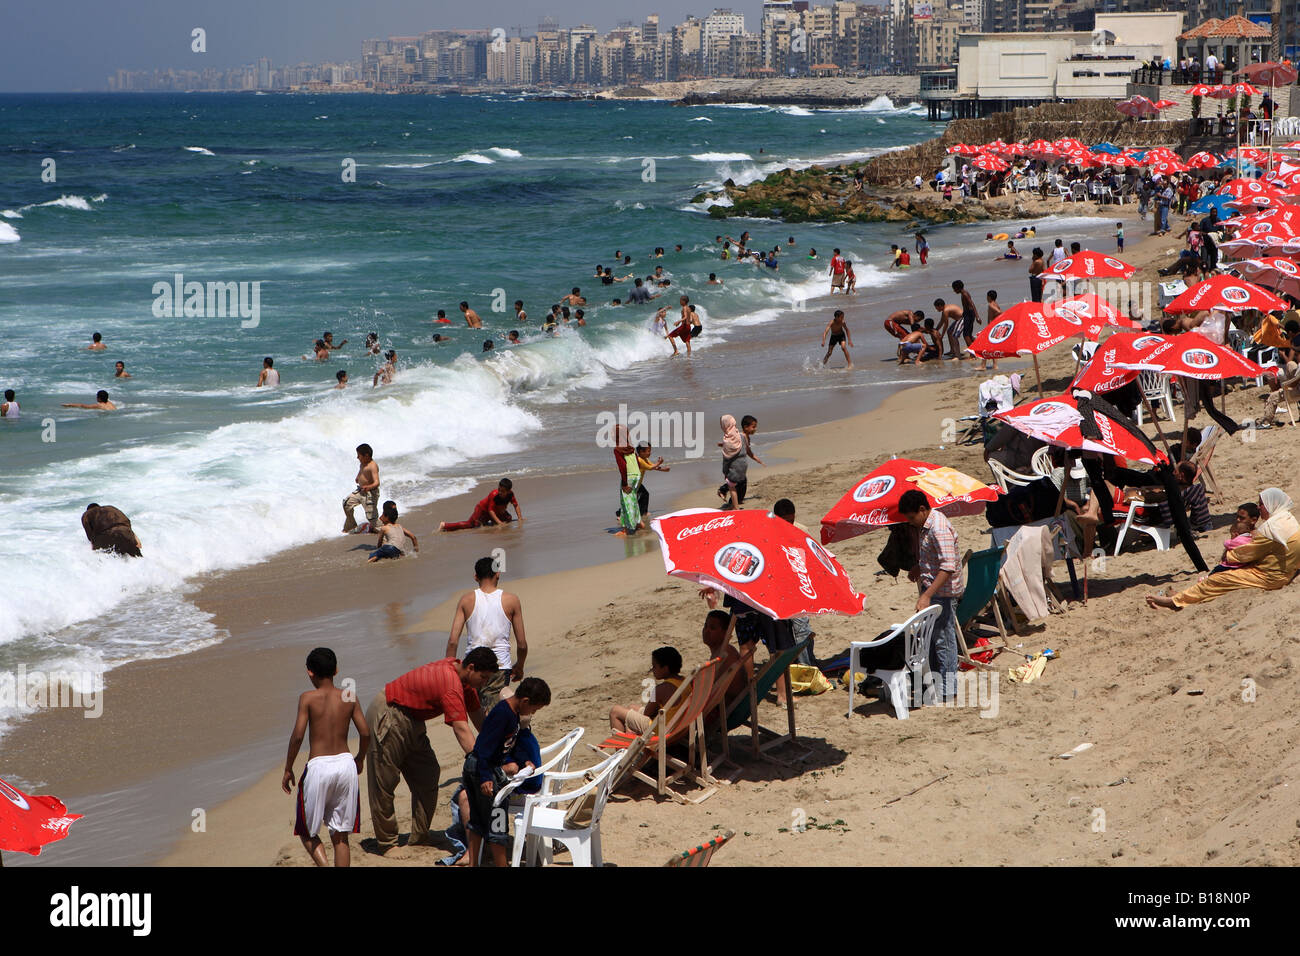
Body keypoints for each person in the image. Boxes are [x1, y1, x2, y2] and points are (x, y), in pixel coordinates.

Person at [364, 648, 498, 857]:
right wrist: (482, 763)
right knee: (385, 781)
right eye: (483, 677)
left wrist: (497, 745)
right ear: (471, 668)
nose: (484, 683)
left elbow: (478, 717)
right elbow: (461, 728)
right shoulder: (450, 683)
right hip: (390, 713)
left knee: (428, 774)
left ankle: (420, 835)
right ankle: (387, 843)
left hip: (413, 719)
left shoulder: (465, 682)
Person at [282, 647, 370, 867]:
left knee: (306, 830)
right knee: (340, 835)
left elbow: (297, 736)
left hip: (319, 767)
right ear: (337, 669)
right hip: (346, 764)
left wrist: (288, 768)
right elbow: (366, 732)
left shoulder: (307, 698)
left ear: (309, 672)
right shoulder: (349, 696)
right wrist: (360, 758)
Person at [1147, 489, 1300, 610]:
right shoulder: (1287, 519)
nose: (1259, 508)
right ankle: (1184, 596)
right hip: (1281, 571)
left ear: (1272, 504)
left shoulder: (1271, 529)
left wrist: (1229, 555)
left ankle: (1174, 601)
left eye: (1262, 504)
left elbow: (1248, 553)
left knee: (1217, 580)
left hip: (1269, 577)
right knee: (1222, 582)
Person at [462, 676, 551, 867]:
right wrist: (486, 777)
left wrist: (523, 760)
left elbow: (509, 743)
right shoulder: (503, 714)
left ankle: (473, 864)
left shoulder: (514, 715)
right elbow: (484, 747)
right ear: (525, 701)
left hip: (479, 766)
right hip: (481, 768)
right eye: (534, 709)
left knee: (477, 821)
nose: (533, 713)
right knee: (497, 823)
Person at [899, 489, 963, 701]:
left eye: (911, 518)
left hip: (942, 593)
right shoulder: (926, 526)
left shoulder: (939, 528)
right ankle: (938, 683)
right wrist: (920, 566)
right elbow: (936, 559)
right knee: (935, 640)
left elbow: (948, 567)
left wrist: (927, 595)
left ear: (922, 510)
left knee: (944, 641)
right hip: (934, 589)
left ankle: (948, 689)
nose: (910, 522)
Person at [445, 556, 528, 713]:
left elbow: (452, 642)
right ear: (497, 574)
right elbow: (522, 644)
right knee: (494, 713)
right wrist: (520, 666)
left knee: (480, 713)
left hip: (472, 668)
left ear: (476, 577)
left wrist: (449, 670)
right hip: (499, 666)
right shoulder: (511, 600)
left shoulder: (466, 600)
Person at [609, 647, 684, 733]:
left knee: (615, 711)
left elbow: (647, 713)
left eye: (654, 666)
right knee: (631, 708)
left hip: (659, 730)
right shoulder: (685, 681)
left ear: (665, 668)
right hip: (676, 727)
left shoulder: (660, 689)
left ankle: (621, 746)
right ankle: (631, 743)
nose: (652, 670)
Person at [439, 478, 523, 531]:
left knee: (508, 518)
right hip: (482, 509)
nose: (500, 492)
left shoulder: (511, 494)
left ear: (508, 491)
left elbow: (516, 505)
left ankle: (491, 523)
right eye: (499, 489)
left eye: (503, 491)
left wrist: (520, 518)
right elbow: (490, 511)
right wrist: (499, 523)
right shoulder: (494, 495)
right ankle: (445, 525)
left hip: (495, 511)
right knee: (471, 525)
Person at [613, 424, 645, 534]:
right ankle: (638, 522)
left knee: (626, 502)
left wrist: (625, 483)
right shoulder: (631, 447)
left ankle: (627, 529)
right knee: (633, 499)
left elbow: (622, 467)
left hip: (629, 476)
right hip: (636, 474)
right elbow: (636, 460)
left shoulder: (618, 450)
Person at [342, 443, 380, 534]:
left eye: (359, 455)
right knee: (347, 504)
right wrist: (358, 477)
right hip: (360, 491)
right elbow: (361, 472)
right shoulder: (362, 464)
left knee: (371, 516)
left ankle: (380, 530)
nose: (357, 457)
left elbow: (377, 482)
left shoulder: (372, 466)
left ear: (366, 455)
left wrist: (369, 487)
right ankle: (351, 525)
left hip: (370, 493)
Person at [1213, 503, 1260, 573]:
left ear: (1253, 520)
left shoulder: (1256, 536)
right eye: (1237, 516)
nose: (1238, 520)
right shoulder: (1238, 531)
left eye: (1242, 518)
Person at [633, 441, 669, 519]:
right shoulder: (639, 460)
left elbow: (652, 466)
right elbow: (650, 468)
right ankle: (620, 514)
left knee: (645, 495)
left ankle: (642, 512)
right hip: (634, 483)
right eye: (648, 451)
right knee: (632, 499)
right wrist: (659, 462)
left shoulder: (645, 459)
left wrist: (663, 469)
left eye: (650, 450)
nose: (650, 453)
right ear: (641, 452)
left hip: (638, 483)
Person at [953, 280, 979, 358]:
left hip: (969, 314)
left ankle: (972, 354)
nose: (954, 291)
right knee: (969, 335)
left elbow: (971, 303)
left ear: (957, 288)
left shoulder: (964, 294)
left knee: (966, 335)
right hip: (968, 314)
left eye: (954, 289)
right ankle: (980, 347)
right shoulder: (964, 293)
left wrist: (977, 316)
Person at [979, 290, 1002, 372]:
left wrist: (996, 316)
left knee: (985, 347)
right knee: (992, 347)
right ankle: (995, 365)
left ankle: (983, 365)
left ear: (989, 297)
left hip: (991, 328)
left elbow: (999, 312)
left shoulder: (991, 305)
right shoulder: (996, 304)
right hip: (994, 328)